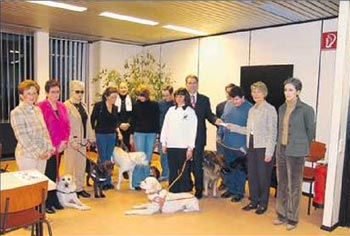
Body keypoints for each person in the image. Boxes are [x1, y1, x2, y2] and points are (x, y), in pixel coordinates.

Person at [274, 78, 315, 231]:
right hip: (282, 150)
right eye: (285, 90)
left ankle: (292, 217)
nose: (287, 93)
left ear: (298, 92)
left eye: (291, 90)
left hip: (296, 152)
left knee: (295, 186)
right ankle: (281, 214)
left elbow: (310, 132)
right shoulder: (282, 108)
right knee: (282, 183)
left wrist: (302, 147)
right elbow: (280, 130)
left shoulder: (306, 109)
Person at [242, 81, 277, 215]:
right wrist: (231, 127)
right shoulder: (252, 109)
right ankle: (253, 201)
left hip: (263, 147)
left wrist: (269, 152)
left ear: (264, 93)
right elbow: (248, 130)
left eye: (258, 92)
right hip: (252, 144)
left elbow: (272, 132)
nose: (255, 94)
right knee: (252, 175)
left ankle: (263, 203)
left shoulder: (270, 109)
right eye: (253, 92)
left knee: (263, 177)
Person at [186, 74, 222, 199]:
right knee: (185, 164)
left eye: (194, 82)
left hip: (199, 137)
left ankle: (199, 190)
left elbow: (209, 115)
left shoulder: (204, 99)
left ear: (197, 84)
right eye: (189, 83)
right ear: (186, 85)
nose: (192, 85)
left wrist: (216, 120)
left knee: (197, 164)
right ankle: (186, 187)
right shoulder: (181, 98)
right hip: (184, 138)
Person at [37, 80, 70, 214]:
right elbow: (41, 129)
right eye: (53, 92)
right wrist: (52, 145)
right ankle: (47, 201)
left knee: (55, 173)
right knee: (48, 174)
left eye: (58, 91)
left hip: (60, 146)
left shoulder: (62, 106)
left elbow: (67, 125)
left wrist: (64, 141)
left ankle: (54, 197)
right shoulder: (40, 107)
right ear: (47, 93)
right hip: (48, 147)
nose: (56, 94)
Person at [10, 80, 53, 174]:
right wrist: (39, 153)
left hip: (43, 153)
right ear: (21, 96)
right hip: (27, 156)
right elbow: (23, 138)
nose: (32, 96)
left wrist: (49, 148)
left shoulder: (37, 110)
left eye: (34, 93)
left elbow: (44, 131)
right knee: (30, 185)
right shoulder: (17, 112)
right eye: (28, 93)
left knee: (40, 185)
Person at [218, 86, 252, 202]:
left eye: (237, 99)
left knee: (239, 170)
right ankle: (231, 189)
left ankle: (239, 192)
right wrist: (220, 126)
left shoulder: (250, 108)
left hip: (240, 146)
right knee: (228, 168)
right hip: (227, 143)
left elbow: (251, 130)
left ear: (243, 97)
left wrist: (246, 147)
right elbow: (224, 118)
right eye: (232, 99)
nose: (234, 102)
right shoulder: (228, 104)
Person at [161, 88, 197, 193]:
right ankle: (173, 191)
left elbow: (192, 131)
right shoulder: (171, 110)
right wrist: (164, 143)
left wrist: (190, 148)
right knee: (173, 170)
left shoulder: (190, 112)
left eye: (181, 96)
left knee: (184, 171)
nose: (179, 98)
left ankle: (184, 191)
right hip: (171, 145)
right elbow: (165, 127)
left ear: (186, 97)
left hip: (184, 147)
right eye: (177, 96)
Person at [64, 80, 94, 198]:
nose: (80, 94)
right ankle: (68, 190)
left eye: (82, 92)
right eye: (77, 92)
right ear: (71, 91)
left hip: (82, 141)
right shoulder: (66, 106)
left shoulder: (83, 105)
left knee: (81, 166)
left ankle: (79, 188)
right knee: (69, 167)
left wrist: (89, 138)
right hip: (72, 143)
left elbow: (88, 123)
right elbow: (65, 126)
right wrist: (72, 141)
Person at [130, 85, 160, 189]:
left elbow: (157, 121)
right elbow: (132, 121)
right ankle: (137, 182)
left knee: (148, 158)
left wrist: (157, 137)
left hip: (151, 133)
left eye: (142, 95)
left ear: (146, 95)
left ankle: (147, 182)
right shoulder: (136, 105)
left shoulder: (155, 105)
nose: (140, 97)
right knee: (140, 158)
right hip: (139, 133)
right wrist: (131, 136)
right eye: (138, 95)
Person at [91, 86, 119, 190]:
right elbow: (92, 119)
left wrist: (118, 132)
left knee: (109, 157)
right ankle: (101, 181)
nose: (114, 100)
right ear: (106, 96)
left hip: (111, 134)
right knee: (102, 157)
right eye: (112, 97)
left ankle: (108, 181)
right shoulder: (99, 106)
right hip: (101, 134)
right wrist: (93, 132)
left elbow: (116, 122)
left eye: (115, 97)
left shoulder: (115, 108)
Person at [158, 85, 174, 181]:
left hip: (173, 134)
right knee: (163, 155)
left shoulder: (176, 104)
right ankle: (165, 174)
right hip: (162, 133)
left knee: (172, 155)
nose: (165, 98)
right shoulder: (160, 104)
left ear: (172, 94)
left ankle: (172, 174)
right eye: (163, 95)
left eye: (167, 95)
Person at [115, 81, 133, 151]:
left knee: (127, 148)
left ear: (127, 89)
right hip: (117, 128)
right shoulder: (115, 99)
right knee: (117, 148)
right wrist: (119, 124)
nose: (123, 89)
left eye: (125, 87)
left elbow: (133, 114)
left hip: (129, 128)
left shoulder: (132, 99)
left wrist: (128, 124)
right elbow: (114, 114)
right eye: (121, 88)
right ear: (118, 89)